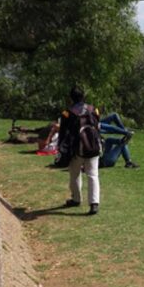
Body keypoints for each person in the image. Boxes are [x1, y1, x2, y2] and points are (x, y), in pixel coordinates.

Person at [58, 86, 101, 216]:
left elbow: (63, 133)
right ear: (83, 96)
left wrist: (61, 149)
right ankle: (94, 203)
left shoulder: (67, 113)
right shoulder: (94, 109)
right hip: (93, 147)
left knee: (75, 174)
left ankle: (76, 199)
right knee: (93, 175)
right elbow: (98, 125)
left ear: (71, 98)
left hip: (76, 149)